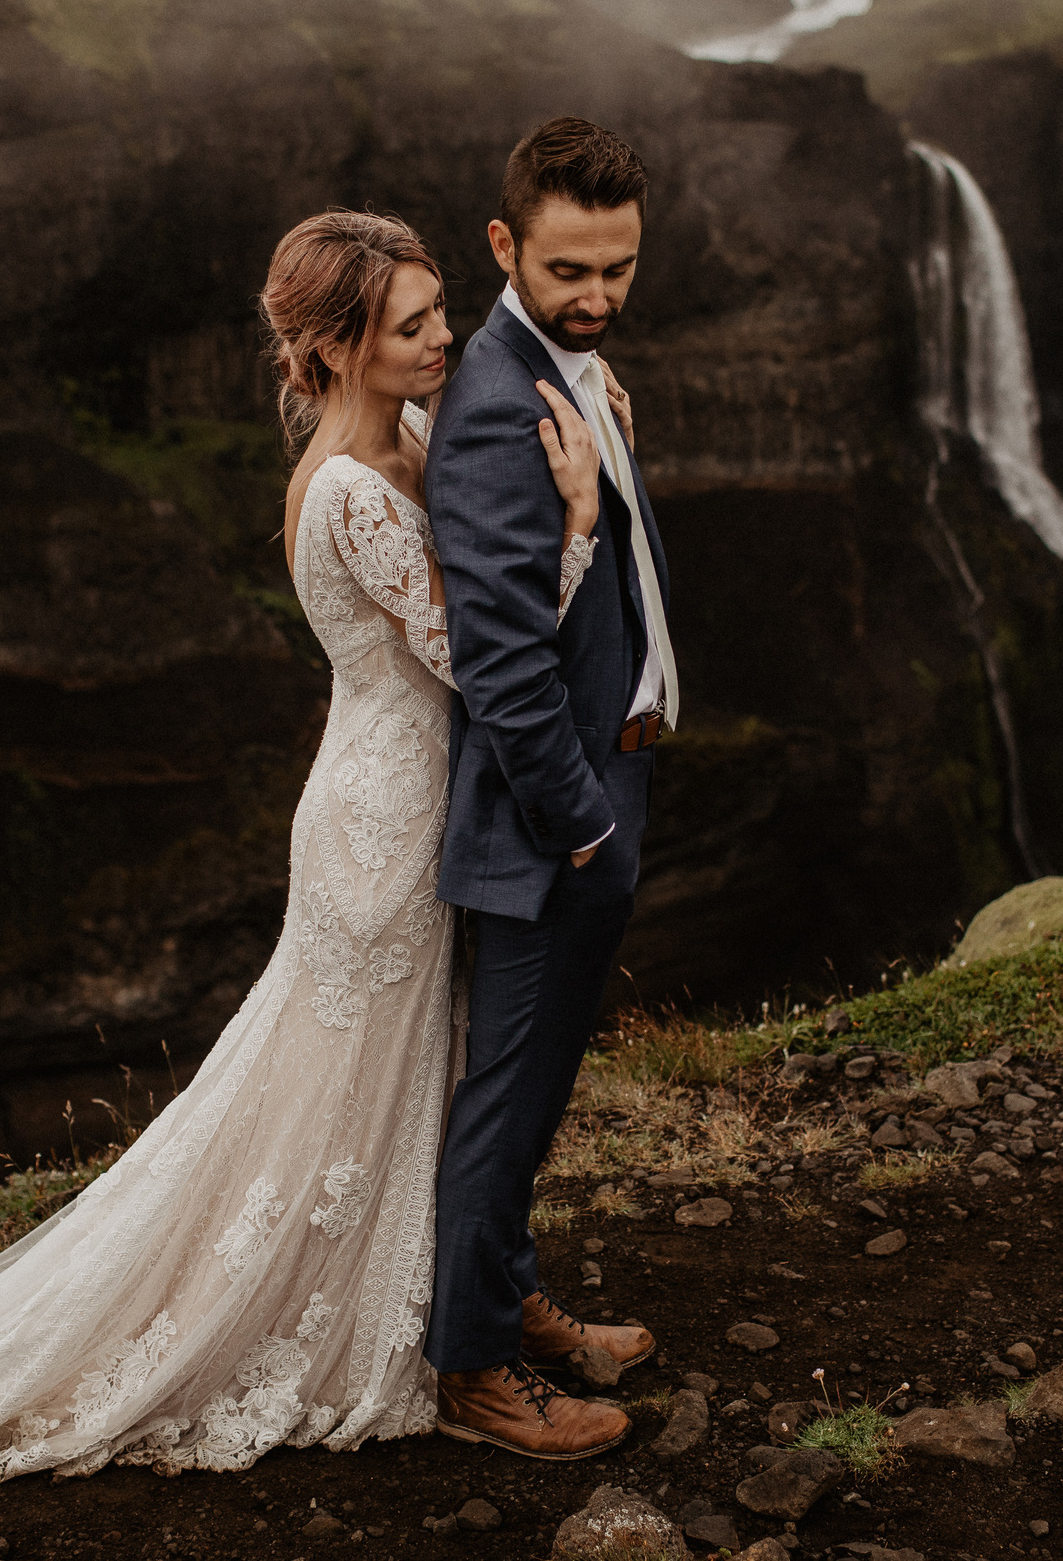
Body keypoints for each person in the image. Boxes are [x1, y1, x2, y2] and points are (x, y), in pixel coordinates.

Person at [0, 207, 614, 1489]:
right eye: (411, 323)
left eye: (438, 310)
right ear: (342, 348)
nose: (442, 337)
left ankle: (472, 1298)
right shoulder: (353, 490)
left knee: (423, 1068)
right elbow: (478, 659)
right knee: (346, 1084)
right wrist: (578, 522)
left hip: (395, 793)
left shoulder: (401, 437)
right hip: (381, 818)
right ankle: (375, 1325)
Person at [422, 116, 679, 1458]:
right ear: (504, 244)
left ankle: (513, 1301)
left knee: (538, 1088)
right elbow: (504, 663)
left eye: (618, 268)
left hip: (597, 798)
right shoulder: (492, 406)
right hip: (550, 825)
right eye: (569, 269)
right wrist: (584, 823)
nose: (596, 296)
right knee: (507, 1099)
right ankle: (473, 1374)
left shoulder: (567, 364)